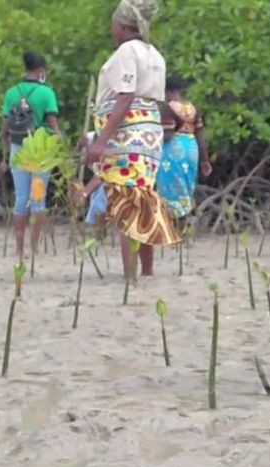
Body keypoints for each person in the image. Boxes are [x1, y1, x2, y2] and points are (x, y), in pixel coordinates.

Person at [84, 0, 180, 278]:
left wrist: (101, 142)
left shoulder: (127, 51)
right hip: (148, 135)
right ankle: (146, 271)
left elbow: (125, 97)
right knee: (144, 201)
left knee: (127, 204)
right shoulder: (155, 54)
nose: (111, 30)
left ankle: (130, 276)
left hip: (128, 135)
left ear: (123, 26)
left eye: (114, 24)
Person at [0, 51, 61, 259]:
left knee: (20, 197)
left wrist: (5, 150)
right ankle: (34, 247)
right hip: (41, 150)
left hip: (18, 148)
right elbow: (53, 123)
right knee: (38, 198)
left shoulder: (11, 92)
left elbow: (4, 127)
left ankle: (19, 247)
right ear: (41, 70)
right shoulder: (47, 93)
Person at [157, 76, 211, 221]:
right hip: (191, 148)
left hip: (174, 148)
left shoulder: (168, 108)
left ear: (166, 90)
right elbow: (200, 135)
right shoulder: (193, 108)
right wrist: (204, 160)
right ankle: (185, 216)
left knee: (170, 184)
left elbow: (167, 135)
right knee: (186, 183)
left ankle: (172, 220)